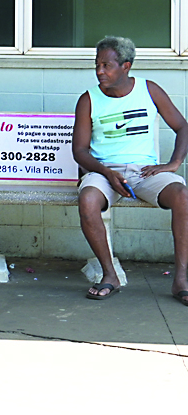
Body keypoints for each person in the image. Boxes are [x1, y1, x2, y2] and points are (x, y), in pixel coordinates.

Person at [72, 36, 188, 303]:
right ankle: (109, 274)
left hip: (143, 171)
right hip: (103, 171)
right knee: (87, 200)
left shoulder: (149, 90)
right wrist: (107, 173)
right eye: (97, 65)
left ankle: (181, 278)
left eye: (106, 65)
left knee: (182, 195)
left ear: (125, 66)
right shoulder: (88, 99)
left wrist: (173, 164)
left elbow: (183, 127)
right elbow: (79, 151)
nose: (99, 71)